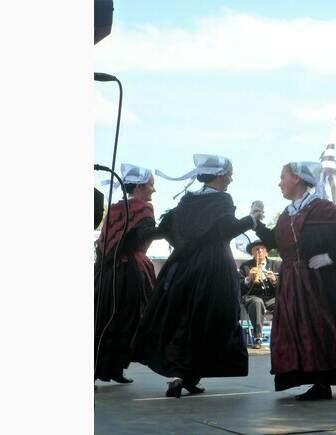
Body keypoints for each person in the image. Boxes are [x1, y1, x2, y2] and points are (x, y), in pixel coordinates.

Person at [254, 161, 336, 400]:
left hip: (321, 281)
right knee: (304, 330)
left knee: (328, 327)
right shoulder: (289, 212)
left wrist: (330, 256)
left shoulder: (320, 207)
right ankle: (322, 380)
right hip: (294, 282)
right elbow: (276, 240)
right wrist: (256, 224)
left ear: (298, 179)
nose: (279, 182)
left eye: (283, 177)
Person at [132, 154, 258, 398]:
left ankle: (183, 375)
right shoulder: (222, 199)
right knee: (211, 318)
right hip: (213, 266)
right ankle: (187, 374)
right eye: (229, 174)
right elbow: (226, 229)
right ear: (220, 176)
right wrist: (251, 220)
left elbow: (168, 227)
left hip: (183, 265)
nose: (231, 178)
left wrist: (183, 246)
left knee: (183, 316)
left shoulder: (187, 200)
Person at [95, 164, 165, 384]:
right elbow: (140, 237)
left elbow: (106, 242)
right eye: (151, 184)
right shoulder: (144, 209)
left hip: (107, 271)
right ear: (141, 186)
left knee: (106, 316)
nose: (153, 190)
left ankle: (112, 368)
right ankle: (105, 368)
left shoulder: (115, 208)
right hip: (128, 272)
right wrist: (165, 229)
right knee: (126, 318)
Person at [239, 239, 280, 349]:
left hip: (271, 298)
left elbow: (286, 286)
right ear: (252, 252)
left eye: (262, 249)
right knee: (257, 302)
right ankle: (258, 337)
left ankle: (284, 335)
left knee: (284, 303)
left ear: (267, 252)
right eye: (256, 249)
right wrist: (248, 279)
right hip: (253, 297)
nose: (259, 251)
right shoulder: (245, 266)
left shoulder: (276, 265)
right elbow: (238, 287)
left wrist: (275, 281)